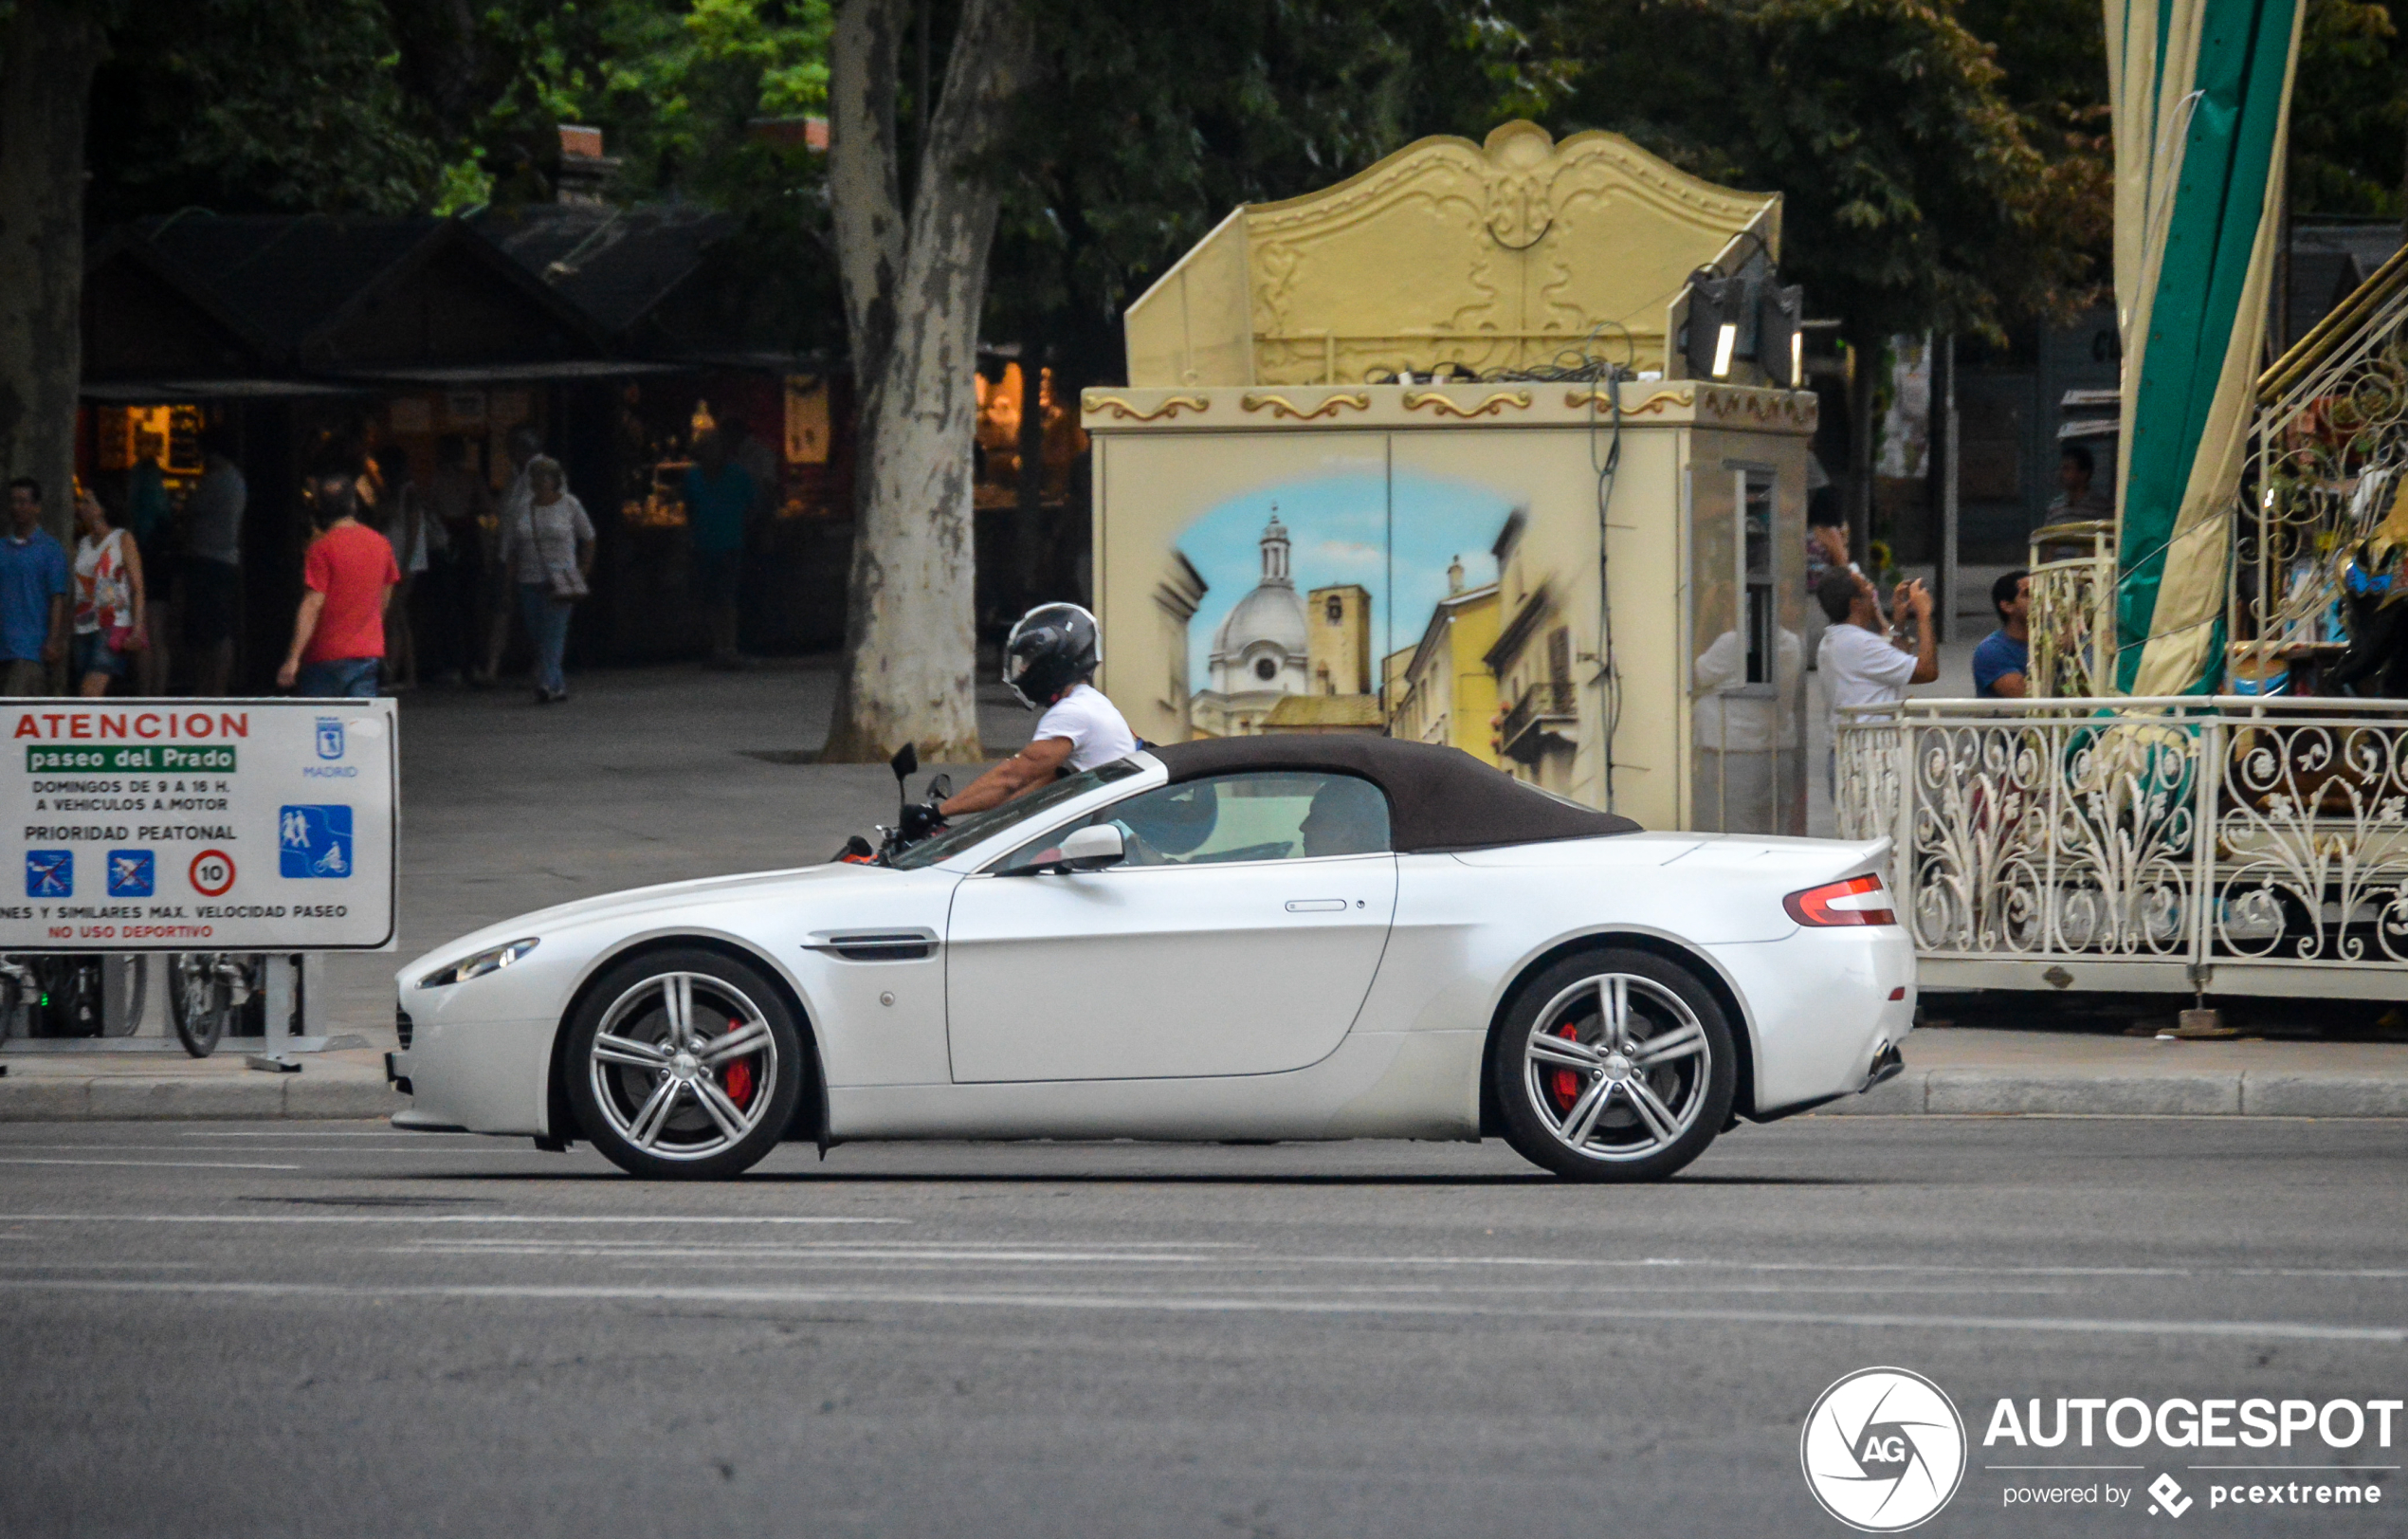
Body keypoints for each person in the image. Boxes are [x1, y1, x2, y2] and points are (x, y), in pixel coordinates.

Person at [937, 602, 1133, 818]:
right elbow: (1039, 786)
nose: (1022, 668)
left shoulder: (1073, 712)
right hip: (1112, 822)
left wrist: (938, 812)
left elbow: (1012, 778)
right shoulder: (1091, 703)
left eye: (1029, 659)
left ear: (1055, 661)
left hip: (1108, 828)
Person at [277, 469, 400, 699]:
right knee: (359, 727)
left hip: (324, 656)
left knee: (322, 727)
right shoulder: (381, 544)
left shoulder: (321, 549)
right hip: (366, 653)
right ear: (353, 504)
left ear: (320, 508)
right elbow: (385, 596)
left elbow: (312, 604)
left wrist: (293, 658)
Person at [1816, 567, 1936, 796]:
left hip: (1852, 755)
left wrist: (1898, 626)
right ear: (1855, 603)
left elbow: (1893, 664)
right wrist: (1924, 616)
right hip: (1866, 760)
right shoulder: (1860, 644)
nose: (1873, 590)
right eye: (1866, 588)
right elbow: (1927, 671)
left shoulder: (1837, 638)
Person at [497, 455, 594, 705]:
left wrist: (582, 572)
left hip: (560, 578)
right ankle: (557, 685)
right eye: (536, 477)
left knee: (554, 633)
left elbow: (589, 537)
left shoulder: (569, 505)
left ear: (555, 480)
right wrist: (508, 586)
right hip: (528, 578)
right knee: (537, 633)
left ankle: (545, 682)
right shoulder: (523, 508)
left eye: (545, 477)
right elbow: (513, 549)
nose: (540, 482)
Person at [682, 430, 756, 667]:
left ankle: (729, 647)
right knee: (711, 598)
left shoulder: (737, 475)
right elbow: (690, 509)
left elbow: (752, 506)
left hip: (730, 543)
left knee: (728, 597)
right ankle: (717, 647)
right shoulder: (692, 477)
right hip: (704, 544)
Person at [424, 433, 490, 685]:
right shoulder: (471, 478)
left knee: (448, 605)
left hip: (447, 538)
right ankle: (472, 663)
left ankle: (454, 664)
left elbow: (429, 506)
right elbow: (486, 506)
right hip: (466, 537)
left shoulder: (437, 479)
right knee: (469, 606)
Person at [184, 431, 246, 696]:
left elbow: (190, 509)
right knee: (216, 628)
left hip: (209, 560)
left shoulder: (216, 481)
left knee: (212, 630)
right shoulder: (237, 481)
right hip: (224, 560)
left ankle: (211, 688)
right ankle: (215, 687)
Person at [70, 486, 146, 698]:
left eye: (87, 502)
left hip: (113, 622)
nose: (81, 507)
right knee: (85, 690)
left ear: (102, 509)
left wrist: (137, 627)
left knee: (90, 690)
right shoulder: (83, 543)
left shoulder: (122, 538)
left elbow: (137, 586)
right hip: (83, 624)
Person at [482, 428, 541, 685]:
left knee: (532, 610)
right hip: (509, 553)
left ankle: (542, 665)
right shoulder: (516, 476)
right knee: (503, 608)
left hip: (529, 555)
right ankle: (493, 667)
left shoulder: (540, 474)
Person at [370, 447, 432, 691]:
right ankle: (399, 673)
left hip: (402, 562)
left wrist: (405, 564)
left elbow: (413, 530)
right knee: (397, 616)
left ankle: (403, 675)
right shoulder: (398, 492)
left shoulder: (407, 492)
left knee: (396, 615)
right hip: (396, 561)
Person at [0, 477, 67, 696]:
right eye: (13, 501)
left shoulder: (50, 549)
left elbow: (57, 597)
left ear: (36, 507)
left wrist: (53, 639)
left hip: (30, 648)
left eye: (23, 501)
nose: (17, 507)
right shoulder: (2, 548)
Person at [124, 439, 175, 696]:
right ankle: (160, 691)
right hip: (162, 571)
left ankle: (145, 693)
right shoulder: (163, 511)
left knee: (143, 630)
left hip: (144, 568)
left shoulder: (137, 518)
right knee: (159, 635)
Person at [1974, 568, 2033, 699]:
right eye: (2028, 594)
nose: (2040, 598)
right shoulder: (1991, 650)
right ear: (2007, 606)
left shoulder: (2062, 641)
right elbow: (2028, 700)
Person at [2049, 442, 2111, 519]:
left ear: (2084, 473)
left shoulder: (2102, 508)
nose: (2061, 473)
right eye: (2061, 468)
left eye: (2067, 469)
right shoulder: (2055, 507)